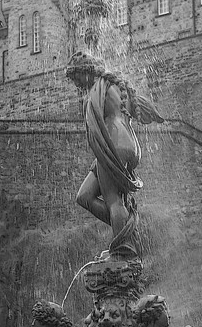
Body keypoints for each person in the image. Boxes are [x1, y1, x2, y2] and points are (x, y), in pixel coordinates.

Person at [66, 51, 163, 258]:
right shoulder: (118, 86)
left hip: (114, 144)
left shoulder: (98, 88)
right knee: (84, 197)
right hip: (128, 144)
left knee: (113, 201)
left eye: (76, 78)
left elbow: (94, 120)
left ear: (86, 71)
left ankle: (122, 252)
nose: (76, 84)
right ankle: (126, 231)